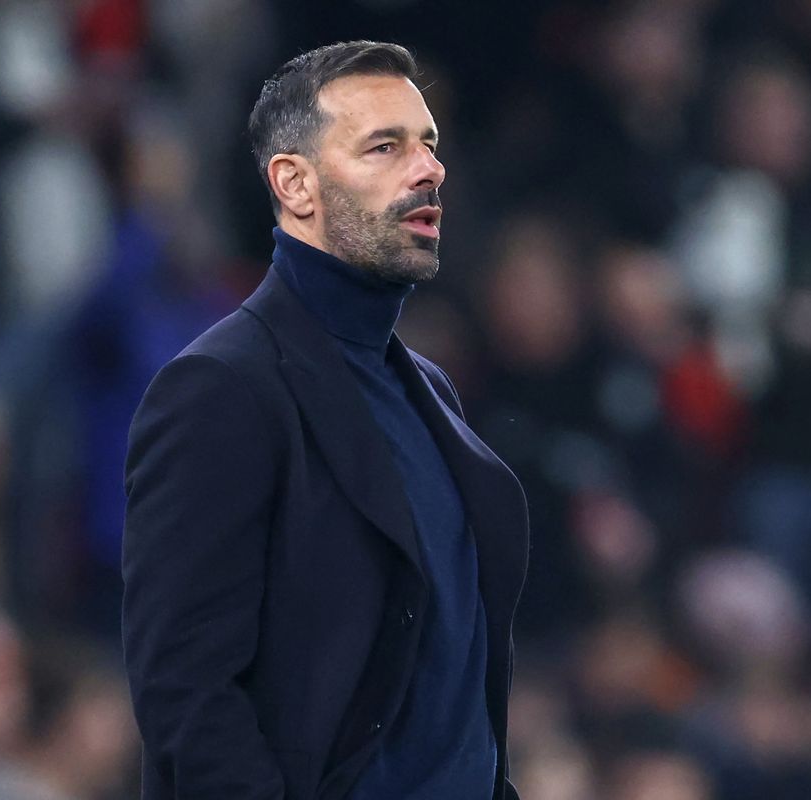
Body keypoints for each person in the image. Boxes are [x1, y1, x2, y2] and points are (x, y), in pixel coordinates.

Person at [121, 41, 530, 800]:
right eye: (385, 146)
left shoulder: (429, 390)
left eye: (429, 145)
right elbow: (187, 692)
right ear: (295, 183)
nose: (428, 169)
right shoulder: (220, 389)